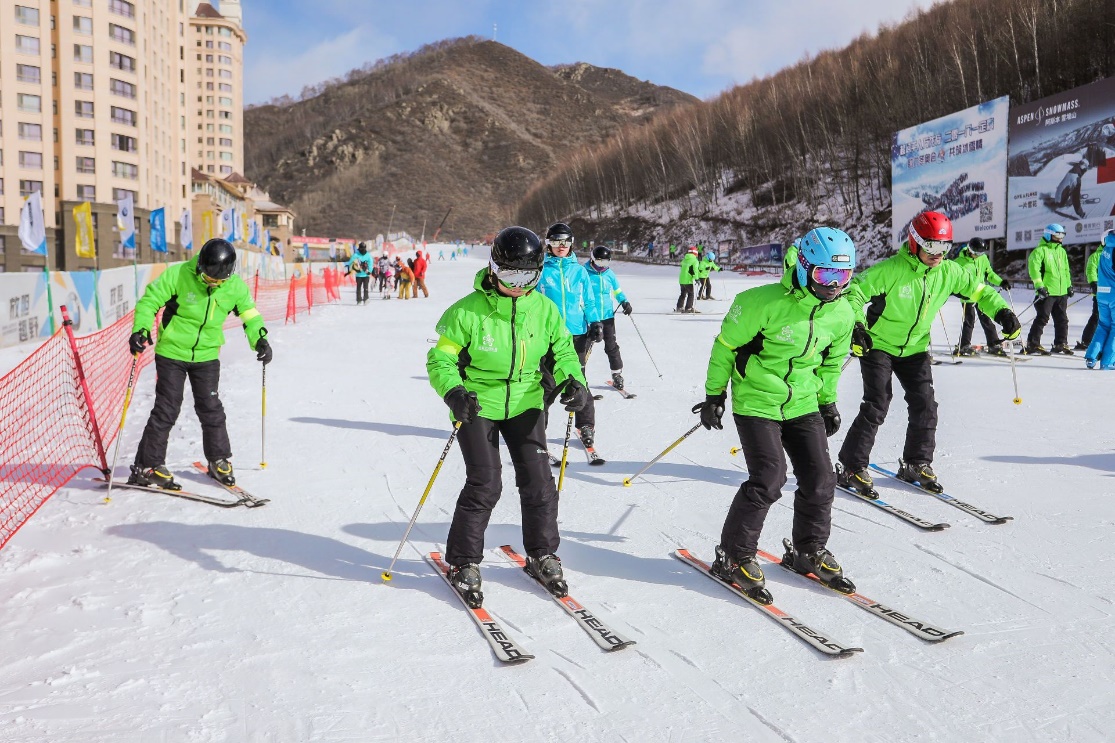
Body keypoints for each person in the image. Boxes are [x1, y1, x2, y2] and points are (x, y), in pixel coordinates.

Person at [426, 226, 589, 607]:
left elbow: (564, 352)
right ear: (494, 268)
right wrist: (454, 392)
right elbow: (441, 358)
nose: (518, 286)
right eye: (510, 276)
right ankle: (463, 561)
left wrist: (574, 380)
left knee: (539, 482)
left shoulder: (545, 309)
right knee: (485, 483)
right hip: (478, 403)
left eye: (527, 278)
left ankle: (542, 553)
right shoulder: (467, 311)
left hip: (526, 402)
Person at [696, 227, 859, 603]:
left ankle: (808, 550)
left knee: (821, 479)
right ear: (804, 267)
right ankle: (733, 556)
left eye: (843, 275)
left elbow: (831, 362)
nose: (834, 284)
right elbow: (725, 347)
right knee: (769, 479)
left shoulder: (843, 312)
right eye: (825, 274)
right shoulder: (760, 302)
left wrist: (827, 402)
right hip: (757, 402)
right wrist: (714, 395)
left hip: (803, 403)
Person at [836, 211, 1020, 496]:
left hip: (915, 348)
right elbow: (853, 293)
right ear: (915, 242)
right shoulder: (891, 270)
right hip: (879, 345)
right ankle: (851, 466)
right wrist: (857, 327)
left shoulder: (948, 272)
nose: (938, 254)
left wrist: (1003, 312)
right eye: (932, 246)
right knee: (877, 403)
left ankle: (916, 462)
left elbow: (981, 292)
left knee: (925, 404)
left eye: (945, 247)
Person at [126, 238, 272, 490]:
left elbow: (250, 314)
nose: (212, 284)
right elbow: (149, 301)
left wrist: (260, 340)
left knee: (211, 408)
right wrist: (140, 329)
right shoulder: (179, 274)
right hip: (172, 352)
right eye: (207, 278)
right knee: (167, 409)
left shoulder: (235, 287)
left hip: (207, 355)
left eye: (218, 281)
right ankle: (147, 466)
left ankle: (218, 460)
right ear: (201, 266)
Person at [537, 222, 603, 448]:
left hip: (577, 335)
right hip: (548, 336)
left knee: (578, 380)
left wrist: (595, 322)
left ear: (571, 243)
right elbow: (533, 303)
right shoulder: (541, 271)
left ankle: (586, 425)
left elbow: (589, 301)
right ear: (549, 244)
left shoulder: (579, 272)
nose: (561, 245)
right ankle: (537, 428)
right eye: (556, 241)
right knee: (545, 384)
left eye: (565, 241)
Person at [584, 245, 633, 390]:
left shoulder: (609, 274)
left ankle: (617, 374)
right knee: (585, 347)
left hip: (607, 316)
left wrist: (624, 302)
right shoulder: (584, 273)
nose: (602, 266)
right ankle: (578, 376)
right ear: (592, 259)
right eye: (599, 262)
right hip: (590, 318)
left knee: (611, 346)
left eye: (605, 262)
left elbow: (617, 291)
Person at [952, 237, 1010, 356]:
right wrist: (957, 292)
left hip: (981, 294)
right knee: (969, 321)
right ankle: (964, 346)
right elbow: (953, 280)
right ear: (970, 250)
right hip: (967, 296)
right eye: (977, 253)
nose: (978, 256)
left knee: (986, 320)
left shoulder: (982, 258)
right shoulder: (959, 262)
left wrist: (1001, 282)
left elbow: (989, 274)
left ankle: (993, 345)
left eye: (981, 253)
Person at [1026, 223, 1074, 355]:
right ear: (1049, 235)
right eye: (1057, 235)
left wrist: (1068, 285)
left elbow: (1066, 271)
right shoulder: (1039, 251)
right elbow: (1034, 271)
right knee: (1042, 317)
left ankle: (1060, 343)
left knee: (1062, 319)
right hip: (1047, 292)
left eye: (1062, 235)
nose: (1060, 238)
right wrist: (1039, 286)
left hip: (1061, 292)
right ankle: (1032, 344)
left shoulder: (1061, 251)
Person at [1084, 232, 1115, 369]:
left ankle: (1091, 357)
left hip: (1103, 294)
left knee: (1103, 325)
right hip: (1113, 294)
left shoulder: (1105, 250)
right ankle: (1108, 361)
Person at [1076, 235, 1107, 350]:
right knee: (1097, 316)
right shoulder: (1096, 256)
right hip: (1102, 293)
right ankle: (1087, 340)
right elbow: (1091, 270)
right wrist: (1094, 284)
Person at [676, 246, 700, 313]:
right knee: (691, 294)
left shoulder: (684, 259)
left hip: (681, 279)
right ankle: (688, 308)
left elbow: (683, 268)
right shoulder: (695, 261)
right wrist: (696, 279)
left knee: (683, 294)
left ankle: (679, 307)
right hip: (688, 280)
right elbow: (695, 271)